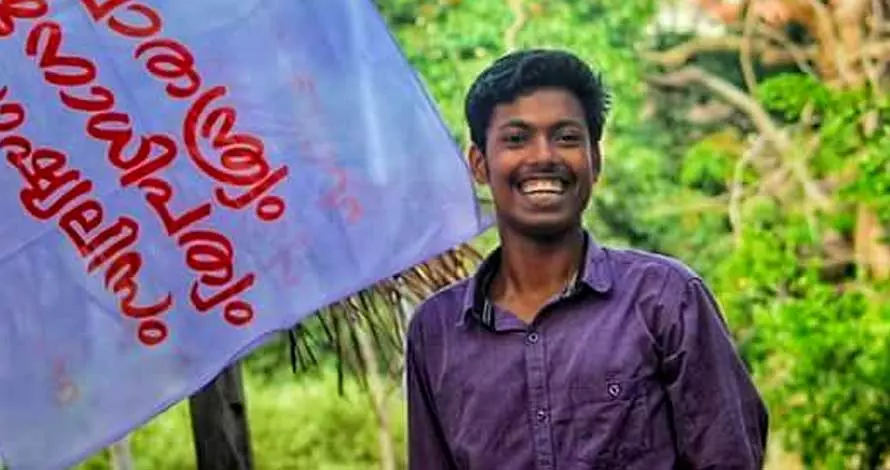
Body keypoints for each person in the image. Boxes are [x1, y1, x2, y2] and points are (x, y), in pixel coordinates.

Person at [404, 48, 769, 469]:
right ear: (479, 164)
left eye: (566, 138)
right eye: (517, 139)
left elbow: (729, 457)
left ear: (594, 160)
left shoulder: (665, 300)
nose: (543, 157)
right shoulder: (436, 332)